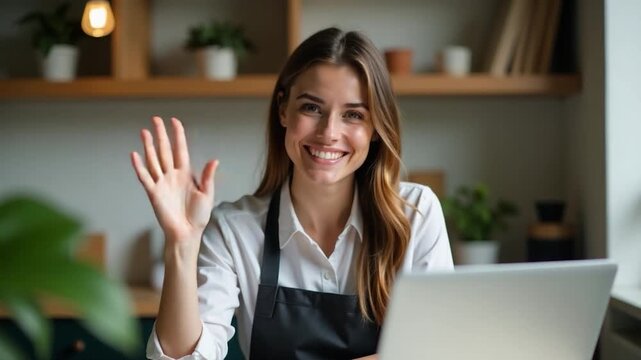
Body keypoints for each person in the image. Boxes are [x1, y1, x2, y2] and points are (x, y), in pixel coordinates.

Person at [132, 27, 453, 360]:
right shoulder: (234, 230)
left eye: (353, 115)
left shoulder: (415, 213)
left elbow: (441, 349)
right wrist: (181, 245)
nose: (329, 133)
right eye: (312, 108)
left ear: (375, 128)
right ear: (283, 109)